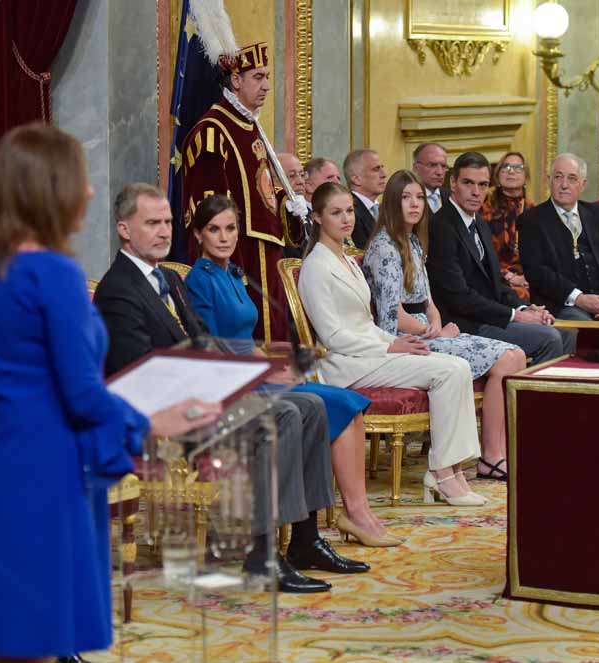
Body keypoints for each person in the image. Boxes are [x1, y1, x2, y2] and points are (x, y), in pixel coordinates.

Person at [0, 124, 223, 661]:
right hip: (46, 478)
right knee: (42, 636)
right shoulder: (53, 275)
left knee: (10, 639)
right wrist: (155, 421)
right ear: (49, 190)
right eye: (80, 180)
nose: (89, 192)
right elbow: (83, 396)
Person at [94, 183, 369, 589]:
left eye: (168, 222)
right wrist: (220, 387)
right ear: (124, 229)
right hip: (165, 417)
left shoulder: (169, 278)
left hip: (202, 396)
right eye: (151, 223)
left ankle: (305, 540)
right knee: (282, 414)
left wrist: (251, 372)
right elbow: (141, 373)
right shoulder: (118, 290)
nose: (164, 231)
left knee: (312, 405)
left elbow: (205, 342)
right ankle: (262, 556)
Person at [185, 194, 401, 547]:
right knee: (341, 405)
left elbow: (244, 338)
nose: (224, 237)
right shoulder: (200, 279)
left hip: (254, 373)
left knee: (351, 403)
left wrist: (277, 361)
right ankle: (354, 514)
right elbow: (211, 347)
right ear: (198, 235)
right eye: (213, 230)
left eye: (230, 228)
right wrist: (265, 374)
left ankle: (357, 510)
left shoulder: (232, 274)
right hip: (233, 386)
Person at [299, 182, 485, 506]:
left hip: (372, 350)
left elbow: (367, 324)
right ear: (316, 218)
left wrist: (398, 340)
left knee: (459, 366)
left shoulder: (346, 259)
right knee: (448, 371)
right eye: (335, 213)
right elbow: (332, 337)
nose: (345, 219)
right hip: (345, 363)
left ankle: (452, 470)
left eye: (348, 211)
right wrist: (389, 347)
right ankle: (442, 474)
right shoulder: (316, 266)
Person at [364, 170, 525, 482]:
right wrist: (432, 331)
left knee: (516, 355)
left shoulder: (412, 240)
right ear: (391, 203)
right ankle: (490, 457)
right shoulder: (384, 247)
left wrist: (436, 321)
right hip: (404, 339)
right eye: (406, 197)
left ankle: (500, 451)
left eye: (420, 198)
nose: (414, 204)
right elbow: (391, 316)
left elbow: (427, 300)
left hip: (428, 331)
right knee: (508, 358)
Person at [179, 42, 307, 343]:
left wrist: (288, 205)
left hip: (267, 255)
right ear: (235, 81)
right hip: (240, 257)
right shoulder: (213, 132)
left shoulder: (249, 126)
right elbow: (208, 211)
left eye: (267, 77)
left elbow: (260, 188)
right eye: (257, 78)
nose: (266, 86)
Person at [427, 151, 575, 367]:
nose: (476, 192)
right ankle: (526, 399)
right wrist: (515, 315)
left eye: (483, 184)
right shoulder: (442, 226)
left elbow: (497, 281)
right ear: (453, 182)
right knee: (549, 338)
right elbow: (459, 297)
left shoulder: (478, 220)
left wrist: (525, 308)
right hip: (465, 322)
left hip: (488, 314)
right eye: (468, 183)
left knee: (566, 333)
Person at [519, 153, 599, 321]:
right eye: (558, 177)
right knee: (586, 330)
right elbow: (537, 272)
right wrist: (579, 298)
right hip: (563, 304)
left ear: (583, 185)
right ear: (549, 180)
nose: (564, 185)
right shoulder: (532, 219)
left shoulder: (597, 213)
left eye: (572, 179)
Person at [480, 151, 535, 300]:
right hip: (494, 278)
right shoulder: (483, 207)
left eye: (518, 168)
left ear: (526, 177)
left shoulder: (533, 209)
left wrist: (527, 278)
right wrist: (509, 276)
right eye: (506, 167)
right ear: (498, 175)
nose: (511, 171)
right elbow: (480, 254)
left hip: (528, 280)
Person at [344, 148, 387, 248]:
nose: (384, 174)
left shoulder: (386, 210)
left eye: (382, 167)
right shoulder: (349, 210)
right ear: (356, 179)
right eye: (376, 169)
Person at [411, 142, 450, 213]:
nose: (439, 172)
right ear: (415, 168)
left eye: (443, 166)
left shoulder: (453, 199)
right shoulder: (405, 199)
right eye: (432, 165)